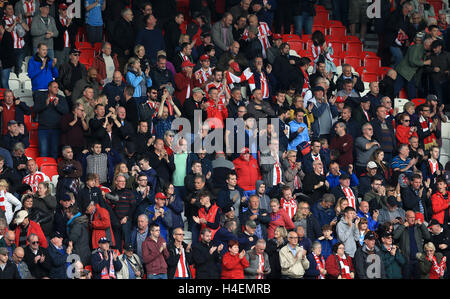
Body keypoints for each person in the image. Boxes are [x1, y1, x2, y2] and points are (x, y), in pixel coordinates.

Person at [393, 210, 431, 279]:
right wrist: (403, 226)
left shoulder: (418, 227)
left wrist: (422, 224)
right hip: (406, 260)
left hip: (418, 260)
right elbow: (395, 236)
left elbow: (427, 236)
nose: (413, 219)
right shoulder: (402, 227)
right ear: (406, 218)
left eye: (414, 217)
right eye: (410, 217)